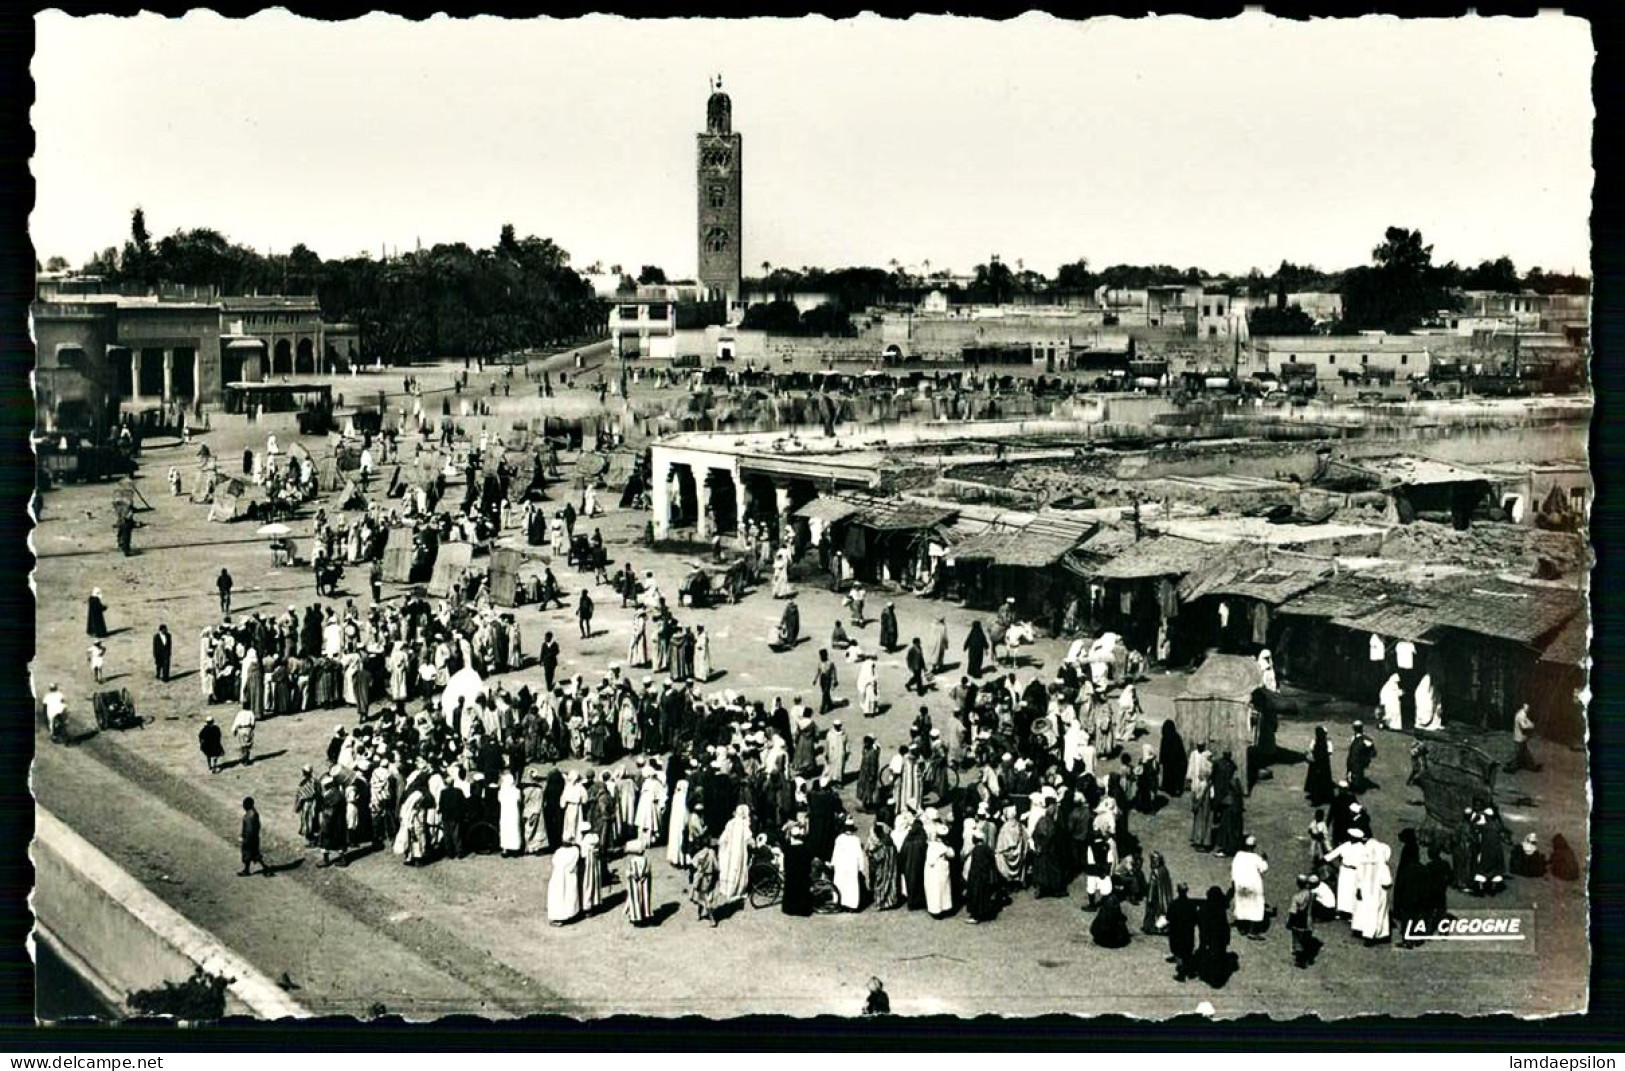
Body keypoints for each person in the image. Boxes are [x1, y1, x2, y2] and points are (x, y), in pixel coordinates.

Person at [1230, 836, 1270, 939]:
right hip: (1253, 885)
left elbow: (1233, 869)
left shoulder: (1238, 855)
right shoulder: (1256, 858)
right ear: (1254, 846)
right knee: (1254, 907)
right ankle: (1252, 931)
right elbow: (1263, 868)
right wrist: (1265, 859)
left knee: (1242, 905)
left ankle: (1242, 928)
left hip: (1241, 884)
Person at [1196, 886, 1233, 987]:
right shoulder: (1220, 908)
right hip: (1220, 939)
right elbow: (1226, 926)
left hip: (1209, 939)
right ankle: (1217, 976)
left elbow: (1201, 923)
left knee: (1211, 957)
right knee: (1219, 957)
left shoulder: (1205, 908)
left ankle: (1210, 975)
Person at [717, 804, 753, 904]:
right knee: (737, 869)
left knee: (728, 869)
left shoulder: (730, 823)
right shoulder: (744, 824)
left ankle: (726, 889)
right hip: (739, 852)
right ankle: (736, 891)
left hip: (729, 851)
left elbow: (723, 838)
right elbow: (748, 839)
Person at [963, 828, 1001, 923]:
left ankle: (975, 916)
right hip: (985, 876)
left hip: (977, 876)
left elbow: (975, 865)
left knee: (976, 896)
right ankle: (983, 912)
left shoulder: (976, 850)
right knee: (983, 895)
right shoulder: (986, 848)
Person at [831, 818, 868, 911]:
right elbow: (860, 854)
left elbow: (836, 853)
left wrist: (833, 863)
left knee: (841, 883)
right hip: (851, 865)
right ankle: (851, 905)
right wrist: (861, 866)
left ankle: (840, 902)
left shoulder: (839, 839)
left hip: (841, 865)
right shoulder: (856, 840)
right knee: (851, 885)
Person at [1167, 884, 1199, 982]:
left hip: (1176, 933)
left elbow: (1168, 917)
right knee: (1187, 952)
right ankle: (1190, 973)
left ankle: (1181, 975)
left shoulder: (1173, 904)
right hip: (1188, 933)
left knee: (1178, 953)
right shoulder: (1191, 905)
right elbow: (1196, 919)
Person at [923, 824, 956, 919]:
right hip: (941, 870)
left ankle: (935, 909)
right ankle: (944, 908)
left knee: (933, 890)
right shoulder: (943, 847)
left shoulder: (931, 845)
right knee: (943, 890)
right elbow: (952, 854)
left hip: (932, 871)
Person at [1286, 875, 1319, 968]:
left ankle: (1300, 959)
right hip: (1309, 920)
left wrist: (1289, 922)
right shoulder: (1311, 894)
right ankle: (1306, 957)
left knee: (1297, 939)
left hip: (1299, 920)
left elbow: (1293, 911)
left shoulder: (1297, 896)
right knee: (1305, 938)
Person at [547, 840, 583, 926]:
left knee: (558, 896)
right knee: (568, 895)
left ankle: (559, 916)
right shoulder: (575, 851)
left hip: (557, 876)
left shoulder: (559, 851)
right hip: (568, 876)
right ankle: (569, 914)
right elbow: (572, 865)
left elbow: (554, 861)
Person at [623, 840, 655, 926]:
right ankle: (646, 914)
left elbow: (631, 873)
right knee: (645, 897)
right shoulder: (646, 860)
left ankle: (636, 917)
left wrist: (628, 874)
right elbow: (648, 871)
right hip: (644, 883)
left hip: (635, 883)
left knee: (635, 899)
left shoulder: (633, 861)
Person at [1143, 850, 1174, 935]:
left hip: (1155, 896)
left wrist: (1149, 898)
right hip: (1164, 895)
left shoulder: (1155, 872)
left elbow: (1152, 886)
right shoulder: (1164, 870)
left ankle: (1149, 927)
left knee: (1151, 911)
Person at [1304, 726, 1335, 807]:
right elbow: (1310, 750)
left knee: (1319, 781)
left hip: (1321, 765)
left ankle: (1318, 799)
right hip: (1317, 764)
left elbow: (1328, 752)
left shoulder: (1325, 742)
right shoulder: (1317, 741)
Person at [239, 797, 270, 877]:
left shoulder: (250, 816)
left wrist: (246, 838)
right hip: (255, 838)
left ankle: (247, 870)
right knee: (255, 854)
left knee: (247, 854)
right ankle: (264, 868)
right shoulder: (254, 813)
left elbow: (249, 829)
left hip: (249, 839)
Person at [1509, 704, 1542, 773]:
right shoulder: (1521, 715)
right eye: (1527, 707)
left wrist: (1530, 724)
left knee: (1525, 753)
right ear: (1524, 707)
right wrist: (1531, 726)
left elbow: (1527, 721)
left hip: (1521, 738)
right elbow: (1523, 726)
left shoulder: (1522, 714)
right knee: (1519, 755)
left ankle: (1532, 767)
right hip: (1519, 738)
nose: (1529, 708)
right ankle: (1511, 768)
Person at [497, 771, 523, 858]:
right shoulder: (516, 791)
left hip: (504, 814)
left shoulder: (502, 791)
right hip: (514, 813)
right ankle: (515, 849)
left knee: (505, 831)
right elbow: (519, 800)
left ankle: (505, 849)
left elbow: (499, 800)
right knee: (515, 830)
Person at [1159, 720, 1187, 798]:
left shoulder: (1176, 738)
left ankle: (1175, 790)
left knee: (1174, 776)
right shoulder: (1165, 738)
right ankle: (1168, 788)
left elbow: (1178, 752)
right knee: (1168, 774)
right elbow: (1162, 750)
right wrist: (1162, 760)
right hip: (1168, 762)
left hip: (1176, 763)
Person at [1346, 721, 1376, 792]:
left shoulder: (1363, 739)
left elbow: (1373, 753)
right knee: (1353, 774)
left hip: (1357, 761)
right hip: (1354, 760)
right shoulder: (1363, 739)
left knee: (1356, 775)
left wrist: (1365, 758)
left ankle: (1357, 788)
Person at [813, 649, 839, 715]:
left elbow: (834, 672)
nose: (821, 657)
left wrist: (835, 680)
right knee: (825, 693)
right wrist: (815, 679)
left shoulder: (830, 663)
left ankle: (822, 709)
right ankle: (830, 704)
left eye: (822, 655)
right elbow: (818, 672)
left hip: (828, 679)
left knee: (825, 693)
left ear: (826, 655)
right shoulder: (820, 662)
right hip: (822, 678)